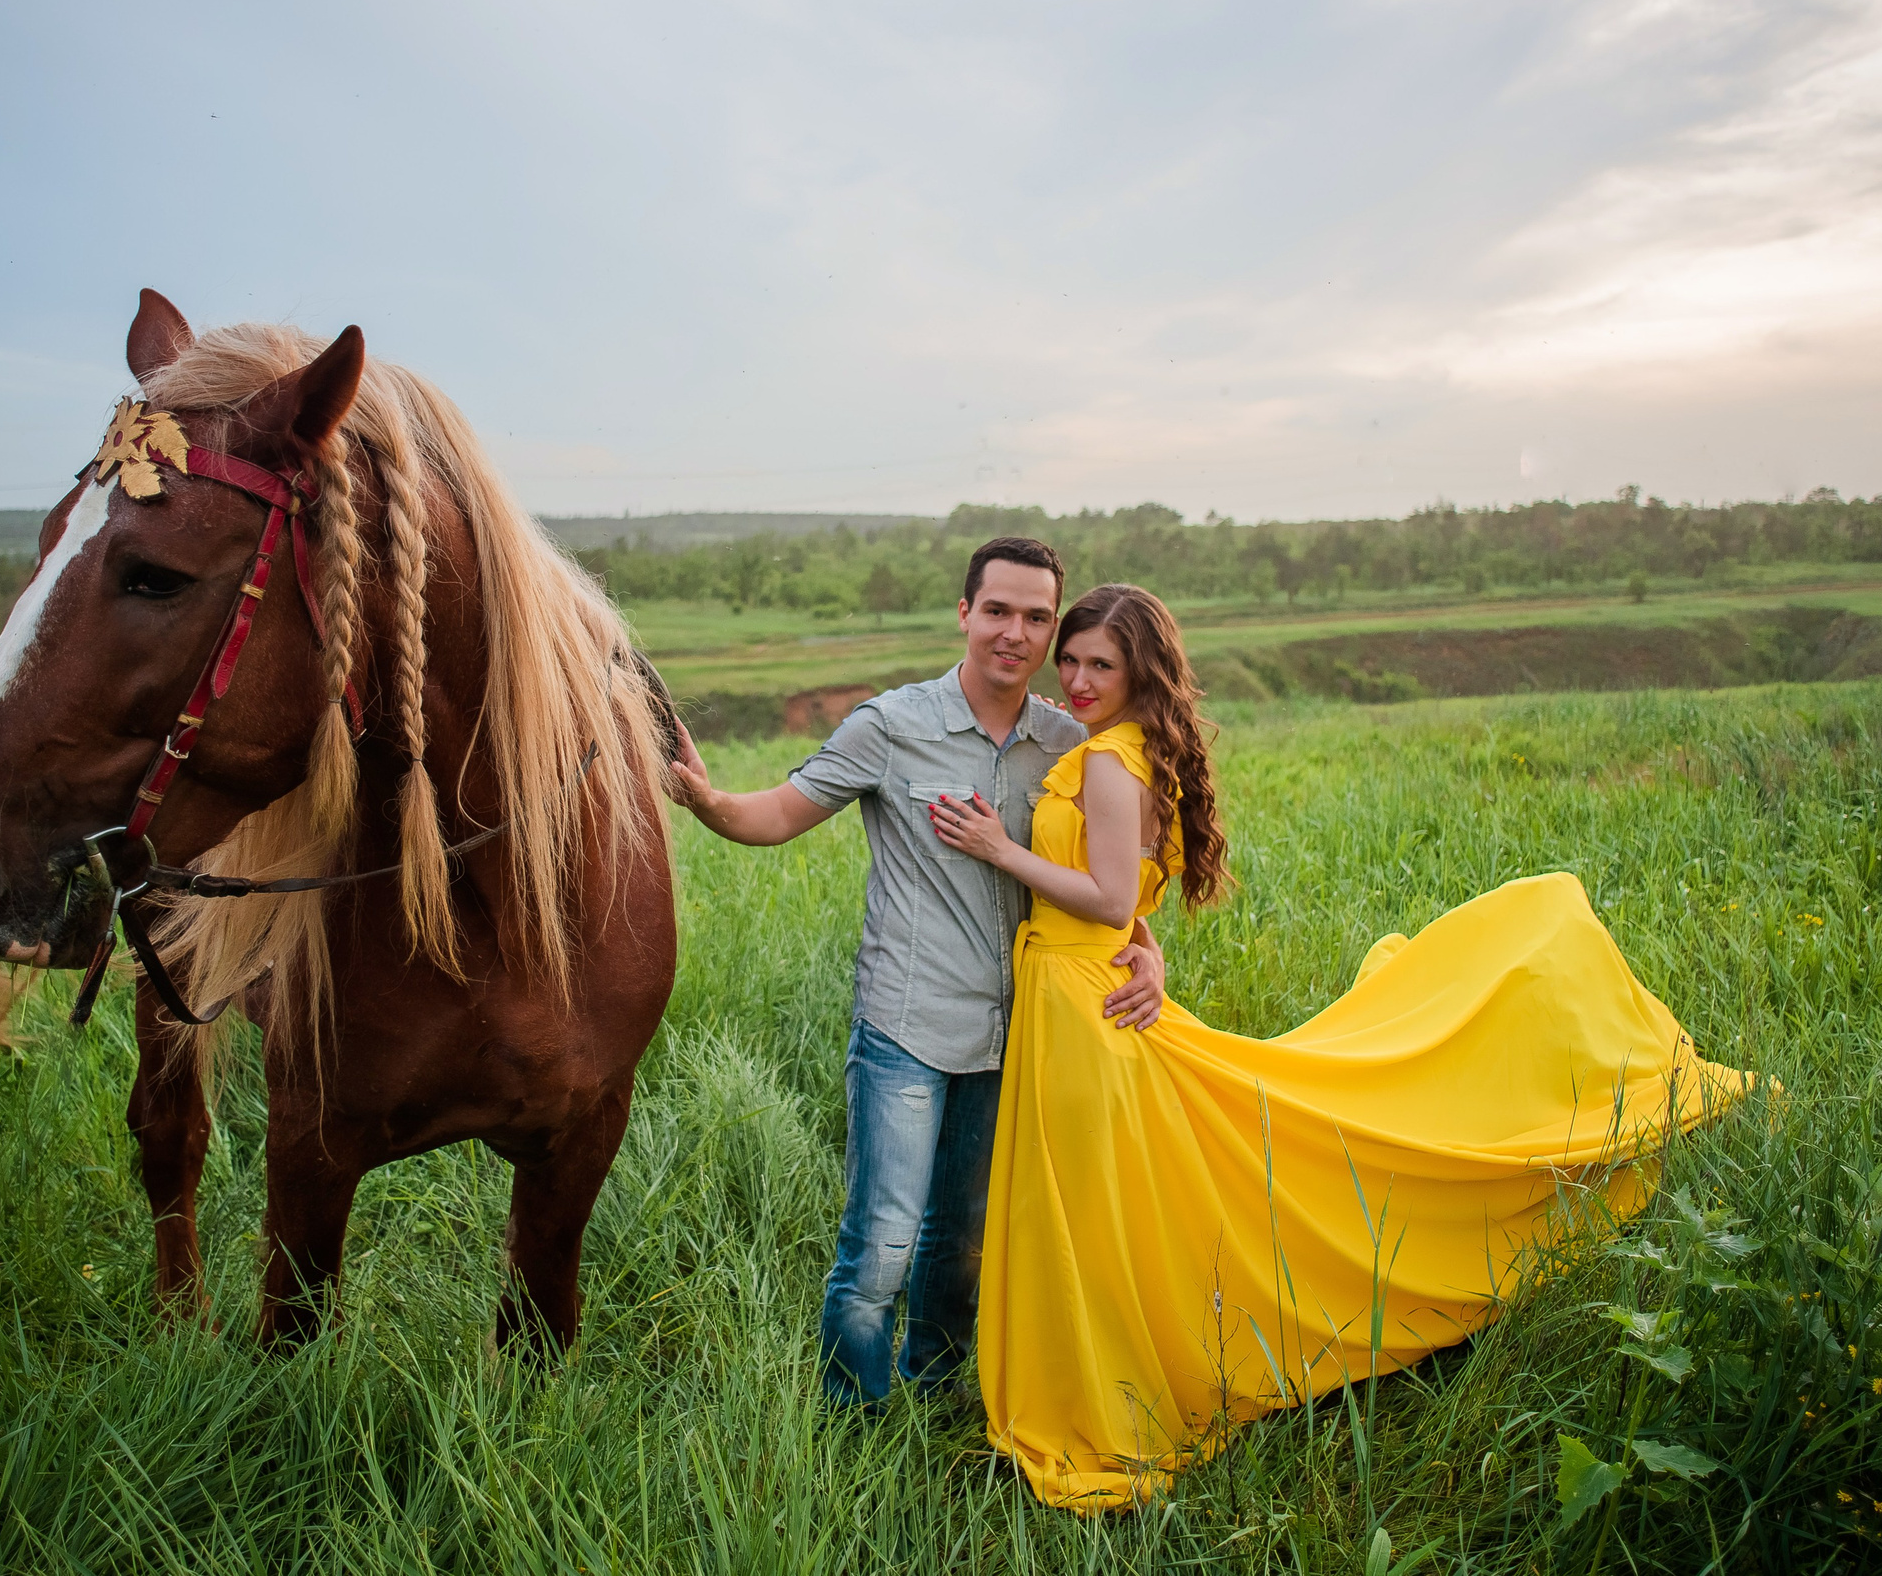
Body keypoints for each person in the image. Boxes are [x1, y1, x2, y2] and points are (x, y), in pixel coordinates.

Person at [927, 583, 1752, 1511]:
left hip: (1082, 1004)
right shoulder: (1123, 750)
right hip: (1085, 987)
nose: (1075, 679)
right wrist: (1141, 944)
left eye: (1099, 664)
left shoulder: (1111, 764)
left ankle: (1112, 1387)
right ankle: (1115, 1363)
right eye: (1068, 659)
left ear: (1141, 671)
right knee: (1105, 1197)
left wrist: (1000, 849)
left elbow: (1113, 897)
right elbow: (1133, 901)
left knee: (1086, 1202)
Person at [666, 538, 1170, 1408]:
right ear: (965, 613)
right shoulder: (891, 725)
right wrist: (711, 802)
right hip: (905, 1022)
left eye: (1037, 617)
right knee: (883, 1247)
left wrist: (1147, 948)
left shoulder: (1064, 738)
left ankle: (932, 1393)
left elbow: (1103, 872)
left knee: (964, 1243)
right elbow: (778, 814)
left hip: (1017, 1029)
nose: (1016, 632)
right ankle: (853, 1418)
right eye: (1000, 610)